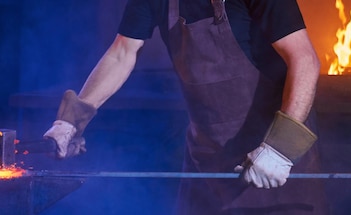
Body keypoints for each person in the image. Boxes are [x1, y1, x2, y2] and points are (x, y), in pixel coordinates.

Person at [44, 0, 327, 214]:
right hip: (207, 166)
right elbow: (122, 53)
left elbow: (304, 60)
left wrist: (280, 149)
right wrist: (70, 121)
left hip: (275, 166)